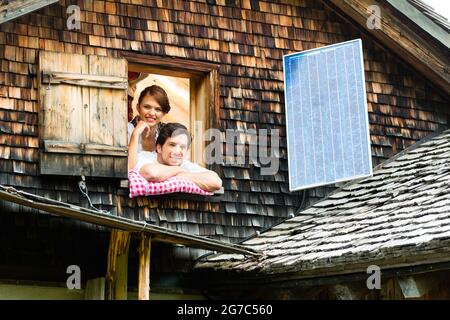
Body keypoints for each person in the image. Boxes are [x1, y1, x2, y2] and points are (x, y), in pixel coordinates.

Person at [136, 123, 222, 192]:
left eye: (182, 147)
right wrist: (179, 170)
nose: (177, 151)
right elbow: (151, 173)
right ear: (159, 148)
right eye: (172, 145)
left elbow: (216, 182)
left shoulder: (185, 164)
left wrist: (181, 175)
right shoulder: (145, 156)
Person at [128, 85, 170, 170]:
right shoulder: (125, 130)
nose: (152, 113)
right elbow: (128, 169)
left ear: (164, 113)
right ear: (138, 107)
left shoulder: (167, 134)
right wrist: (135, 134)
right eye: (147, 107)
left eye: (158, 109)